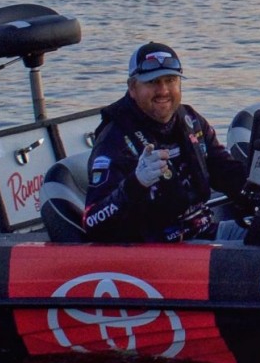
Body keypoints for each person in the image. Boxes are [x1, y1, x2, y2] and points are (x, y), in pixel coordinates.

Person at [82, 42, 246, 243]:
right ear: (133, 88)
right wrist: (137, 183)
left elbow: (228, 173)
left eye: (170, 80)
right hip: (160, 251)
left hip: (204, 230)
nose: (163, 90)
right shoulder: (113, 140)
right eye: (152, 82)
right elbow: (92, 223)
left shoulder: (191, 120)